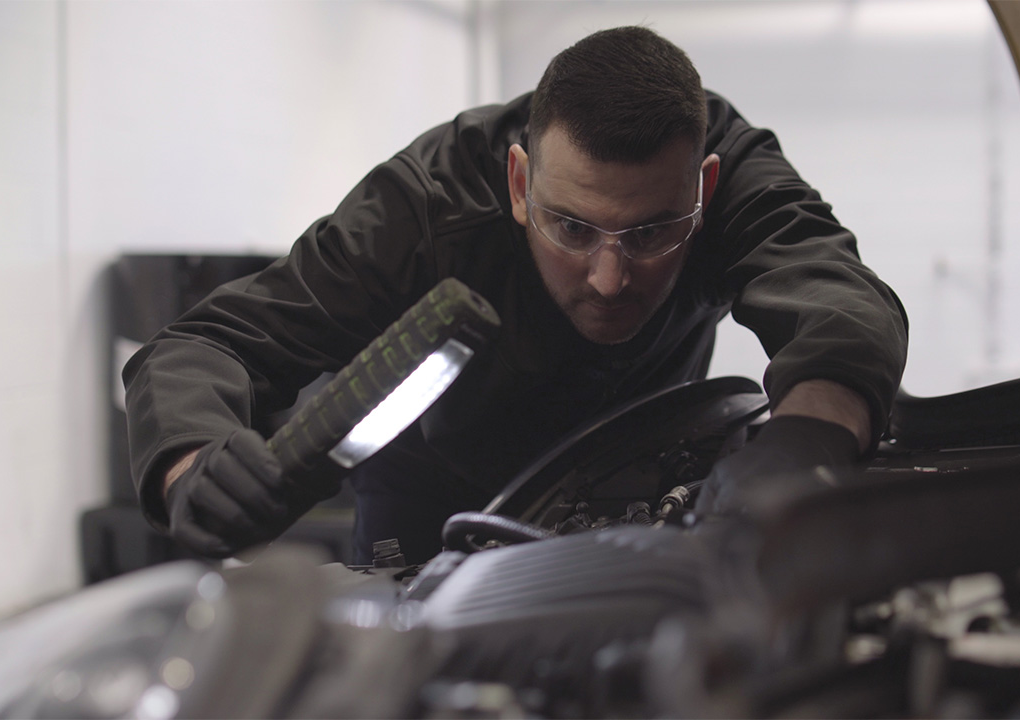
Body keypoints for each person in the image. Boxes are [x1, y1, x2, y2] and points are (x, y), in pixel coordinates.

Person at [123, 26, 908, 564]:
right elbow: (204, 344)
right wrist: (192, 462)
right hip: (430, 500)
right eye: (572, 228)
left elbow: (837, 295)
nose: (609, 277)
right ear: (520, 181)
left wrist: (811, 435)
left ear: (700, 188)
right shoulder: (423, 209)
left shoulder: (729, 172)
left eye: (650, 235)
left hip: (634, 485)